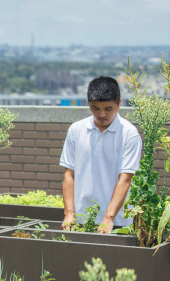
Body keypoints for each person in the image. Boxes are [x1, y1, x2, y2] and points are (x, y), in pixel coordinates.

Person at [59, 76, 142, 234]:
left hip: (117, 222)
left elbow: (125, 178)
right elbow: (69, 175)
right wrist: (69, 214)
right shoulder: (76, 130)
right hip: (81, 219)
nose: (102, 114)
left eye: (108, 109)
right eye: (95, 108)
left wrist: (108, 218)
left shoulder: (129, 133)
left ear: (119, 103)